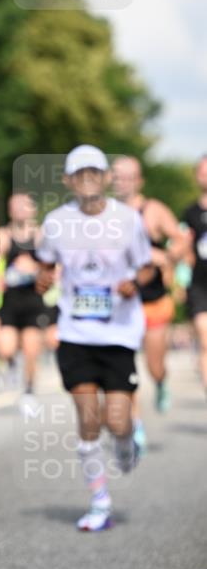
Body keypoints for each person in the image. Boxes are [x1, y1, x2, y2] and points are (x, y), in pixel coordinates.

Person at [37, 145, 154, 531]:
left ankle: (125, 442)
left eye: (94, 171)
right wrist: (43, 280)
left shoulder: (128, 220)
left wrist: (133, 283)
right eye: (79, 172)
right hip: (75, 333)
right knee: (89, 420)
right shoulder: (55, 221)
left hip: (118, 333)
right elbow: (45, 264)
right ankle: (100, 502)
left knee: (117, 420)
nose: (87, 178)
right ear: (68, 180)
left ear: (105, 177)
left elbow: (148, 268)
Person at [111, 156, 188, 420]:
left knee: (154, 365)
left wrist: (165, 258)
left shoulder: (153, 210)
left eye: (127, 176)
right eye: (116, 175)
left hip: (151, 301)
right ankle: (134, 422)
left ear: (139, 181)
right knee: (122, 367)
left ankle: (160, 381)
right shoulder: (103, 211)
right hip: (119, 303)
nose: (120, 181)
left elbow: (181, 241)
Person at [0, 193, 57, 409]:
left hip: (34, 301)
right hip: (10, 302)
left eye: (25, 206)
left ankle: (29, 391)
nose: (20, 210)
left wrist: (33, 269)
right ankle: (12, 367)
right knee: (5, 348)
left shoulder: (41, 236)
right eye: (15, 206)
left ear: (33, 209)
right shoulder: (4, 235)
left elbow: (53, 266)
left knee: (31, 351)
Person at [181, 155, 207, 398]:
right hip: (200, 284)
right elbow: (183, 249)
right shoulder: (190, 213)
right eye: (202, 171)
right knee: (205, 338)